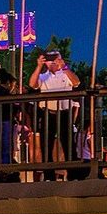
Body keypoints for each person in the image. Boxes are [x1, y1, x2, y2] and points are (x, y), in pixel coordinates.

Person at [30, 50, 82, 179]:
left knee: (69, 144)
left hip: (64, 112)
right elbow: (32, 84)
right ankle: (49, 175)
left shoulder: (65, 74)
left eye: (56, 58)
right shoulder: (43, 76)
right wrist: (39, 66)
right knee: (46, 145)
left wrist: (64, 67)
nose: (53, 61)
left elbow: (76, 82)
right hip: (48, 112)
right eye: (50, 59)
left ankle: (73, 174)